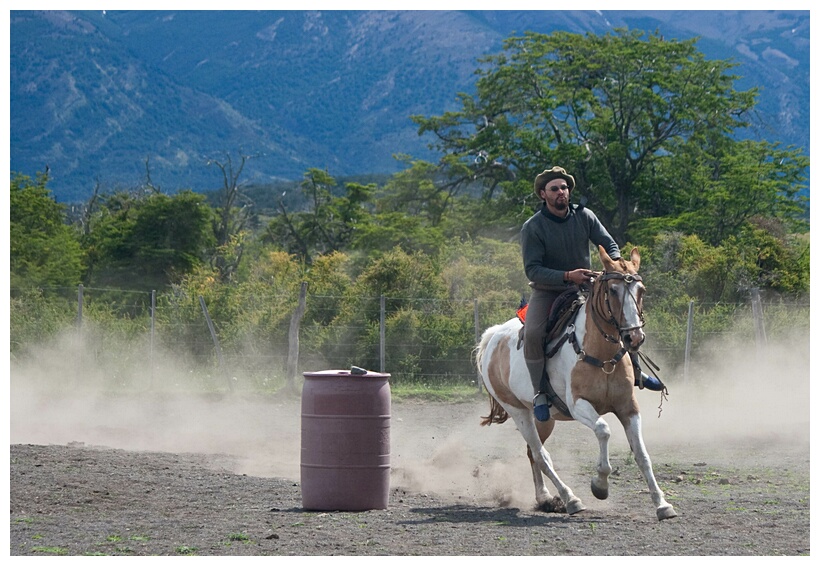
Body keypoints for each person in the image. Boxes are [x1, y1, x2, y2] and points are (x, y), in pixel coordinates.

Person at [520, 166, 664, 422]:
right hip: (548, 291)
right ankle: (540, 392)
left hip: (587, 285)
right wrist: (567, 275)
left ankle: (636, 371)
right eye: (555, 189)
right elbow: (533, 270)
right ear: (543, 194)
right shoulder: (533, 227)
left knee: (622, 314)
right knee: (532, 333)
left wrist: (616, 263)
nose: (561, 192)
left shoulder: (584, 215)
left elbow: (609, 243)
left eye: (564, 188)